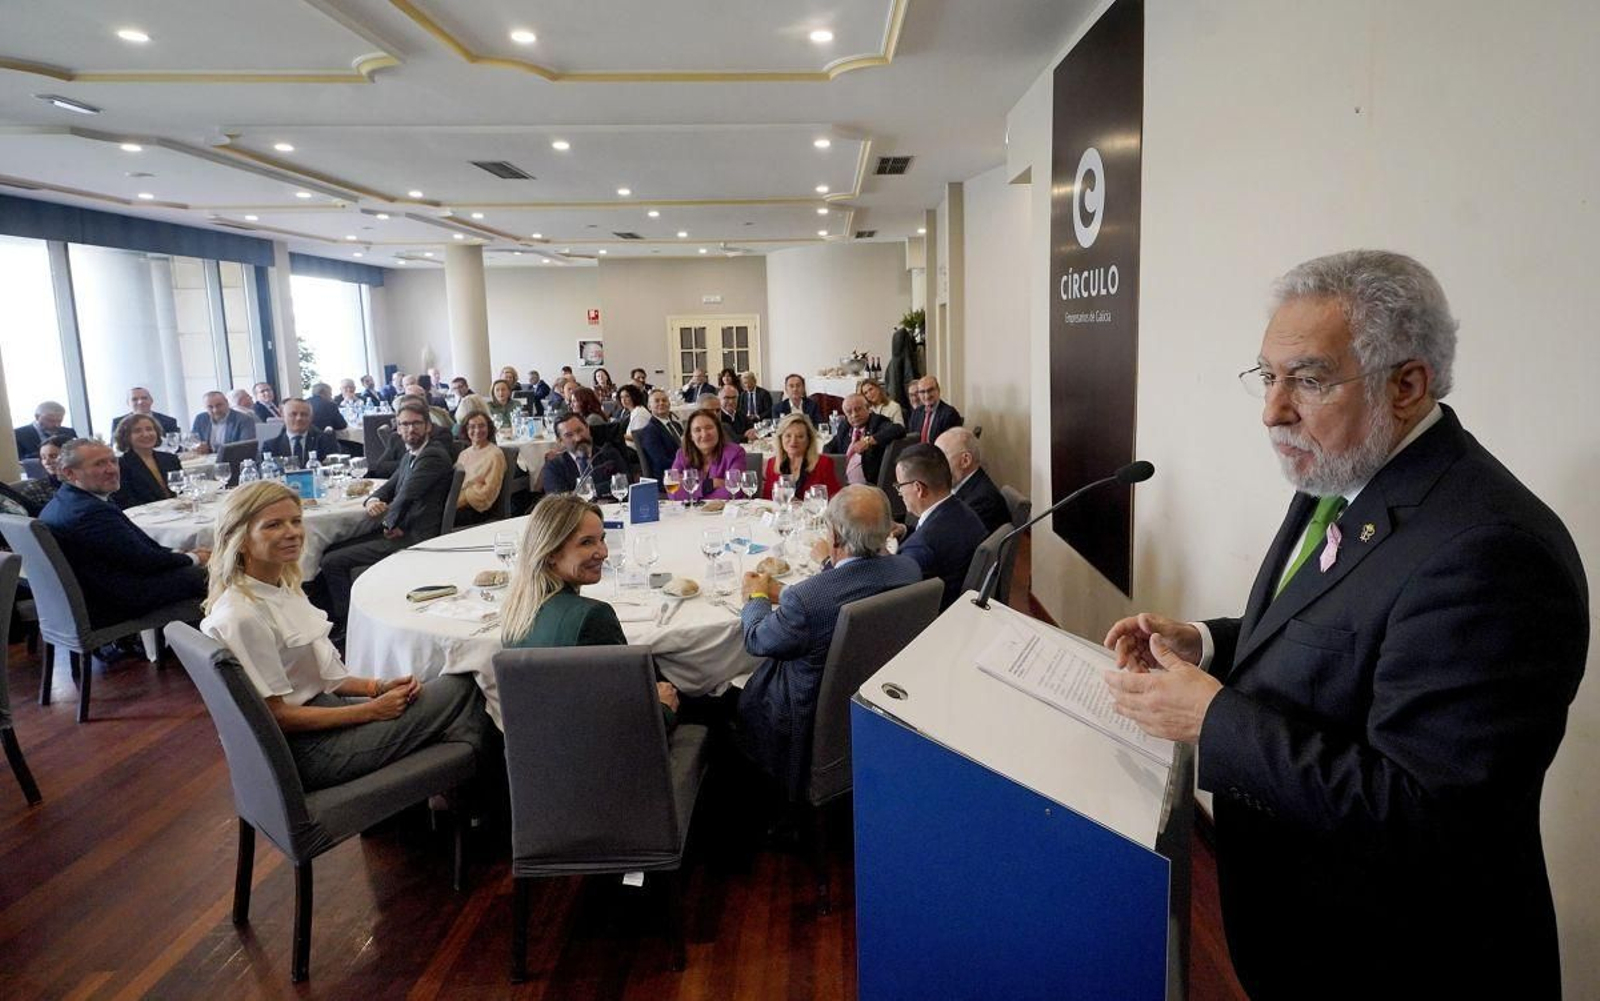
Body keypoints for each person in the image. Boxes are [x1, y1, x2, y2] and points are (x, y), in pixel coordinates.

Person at [1101, 251, 1588, 1000]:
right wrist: (1208, 641)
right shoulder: (1344, 471)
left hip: (1401, 963)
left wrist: (1213, 719)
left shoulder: (1492, 551)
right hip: (1306, 938)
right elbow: (1336, 630)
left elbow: (1430, 817)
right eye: (1267, 376)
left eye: (1309, 378)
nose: (1272, 409)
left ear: (1408, 384)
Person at [200, 481, 485, 791]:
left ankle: (442, 801)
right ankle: (467, 803)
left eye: (296, 521)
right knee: (466, 684)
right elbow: (276, 717)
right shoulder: (242, 616)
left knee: (445, 694)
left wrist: (377, 687)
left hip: (323, 715)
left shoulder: (276, 587)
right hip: (311, 752)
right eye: (273, 525)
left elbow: (315, 675)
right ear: (240, 540)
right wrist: (369, 710)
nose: (292, 532)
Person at [735, 485, 921, 796]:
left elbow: (756, 640)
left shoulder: (807, 602)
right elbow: (852, 583)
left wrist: (755, 596)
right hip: (881, 699)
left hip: (805, 719)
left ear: (833, 537)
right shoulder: (909, 569)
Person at [499, 494, 679, 717]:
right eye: (586, 542)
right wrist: (664, 707)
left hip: (539, 747)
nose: (603, 552)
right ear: (551, 552)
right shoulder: (593, 616)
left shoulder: (515, 611)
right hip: (605, 749)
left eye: (602, 539)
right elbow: (629, 722)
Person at [38, 438, 208, 626]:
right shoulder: (90, 511)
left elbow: (136, 551)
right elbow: (144, 562)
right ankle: (213, 643)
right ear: (69, 473)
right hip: (115, 600)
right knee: (218, 573)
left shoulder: (65, 501)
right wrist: (195, 558)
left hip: (97, 589)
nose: (112, 469)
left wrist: (177, 554)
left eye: (113, 461)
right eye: (99, 464)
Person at [316, 401, 454, 628]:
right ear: (398, 429)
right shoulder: (411, 455)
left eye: (416, 423)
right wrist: (372, 499)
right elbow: (389, 488)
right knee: (330, 548)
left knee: (331, 561)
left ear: (428, 426)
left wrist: (389, 524)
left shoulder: (432, 456)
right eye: (405, 424)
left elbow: (406, 496)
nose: (411, 429)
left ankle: (348, 625)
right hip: (404, 528)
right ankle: (332, 617)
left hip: (416, 535)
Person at [893, 444, 987, 610]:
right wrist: (905, 531)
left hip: (934, 619)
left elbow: (894, 595)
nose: (899, 493)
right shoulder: (961, 509)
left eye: (900, 486)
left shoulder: (921, 547)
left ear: (918, 488)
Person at [935, 427, 1010, 533]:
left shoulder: (982, 501)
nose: (935, 465)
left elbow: (946, 541)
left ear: (965, 461)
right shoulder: (961, 484)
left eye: (941, 458)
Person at [823, 393, 906, 486]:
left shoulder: (877, 422)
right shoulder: (845, 426)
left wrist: (868, 441)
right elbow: (829, 447)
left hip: (868, 485)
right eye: (849, 412)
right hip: (843, 484)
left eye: (858, 409)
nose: (854, 415)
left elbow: (898, 429)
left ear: (868, 408)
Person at [541, 413, 628, 495]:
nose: (578, 438)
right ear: (560, 441)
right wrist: (603, 488)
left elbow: (626, 483)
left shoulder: (608, 454)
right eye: (569, 435)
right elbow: (558, 499)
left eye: (580, 431)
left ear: (588, 428)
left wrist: (581, 492)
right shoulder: (554, 467)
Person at [111, 413, 183, 509]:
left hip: (179, 511)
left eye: (149, 429)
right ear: (126, 436)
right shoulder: (121, 465)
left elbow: (182, 490)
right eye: (137, 431)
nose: (145, 434)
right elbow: (126, 501)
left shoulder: (171, 459)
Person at [670, 410, 746, 501]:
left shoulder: (735, 453)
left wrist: (692, 493)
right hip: (690, 513)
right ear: (691, 436)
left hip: (723, 513)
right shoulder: (682, 455)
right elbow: (673, 492)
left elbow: (734, 492)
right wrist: (709, 484)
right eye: (697, 430)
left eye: (709, 428)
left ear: (718, 430)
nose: (704, 434)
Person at [762, 413, 840, 500]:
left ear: (809, 440)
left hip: (813, 513)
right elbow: (767, 499)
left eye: (800, 436)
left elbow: (835, 499)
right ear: (781, 439)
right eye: (788, 435)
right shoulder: (772, 464)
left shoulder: (824, 463)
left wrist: (799, 505)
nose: (793, 441)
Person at [453, 411, 505, 527]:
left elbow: (487, 494)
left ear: (489, 428)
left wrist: (459, 498)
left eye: (482, 426)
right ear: (466, 430)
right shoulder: (464, 454)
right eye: (472, 427)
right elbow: (454, 483)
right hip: (458, 504)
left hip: (478, 509)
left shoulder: (495, 455)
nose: (477, 430)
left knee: (437, 518)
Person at [263, 398, 339, 470]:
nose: (299, 418)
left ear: (311, 417)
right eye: (293, 414)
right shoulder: (270, 447)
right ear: (283, 416)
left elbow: (334, 469)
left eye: (304, 414)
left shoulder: (326, 441)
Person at [632, 390, 684, 480]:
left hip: (685, 470)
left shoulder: (677, 425)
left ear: (669, 404)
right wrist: (687, 465)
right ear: (649, 406)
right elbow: (661, 461)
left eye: (664, 400)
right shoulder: (650, 431)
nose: (661, 403)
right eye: (657, 401)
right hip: (668, 477)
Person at [11, 434, 67, 514]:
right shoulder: (35, 489)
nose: (47, 462)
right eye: (43, 458)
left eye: (53, 456)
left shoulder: (84, 482)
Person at [192, 391, 256, 455]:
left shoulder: (244, 420)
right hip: (207, 460)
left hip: (235, 460)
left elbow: (246, 448)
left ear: (227, 403)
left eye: (219, 405)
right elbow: (193, 441)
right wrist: (197, 447)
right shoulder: (200, 419)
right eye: (210, 407)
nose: (215, 410)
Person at [906, 376, 963, 444]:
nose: (927, 395)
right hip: (918, 452)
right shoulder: (916, 413)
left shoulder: (950, 414)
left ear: (938, 390)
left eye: (930, 390)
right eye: (922, 392)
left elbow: (951, 444)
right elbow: (911, 439)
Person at [112, 387, 180, 436]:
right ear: (128, 403)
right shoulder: (118, 422)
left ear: (151, 400)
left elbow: (176, 447)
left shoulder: (169, 421)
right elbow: (116, 449)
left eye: (144, 398)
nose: (140, 402)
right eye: (134, 399)